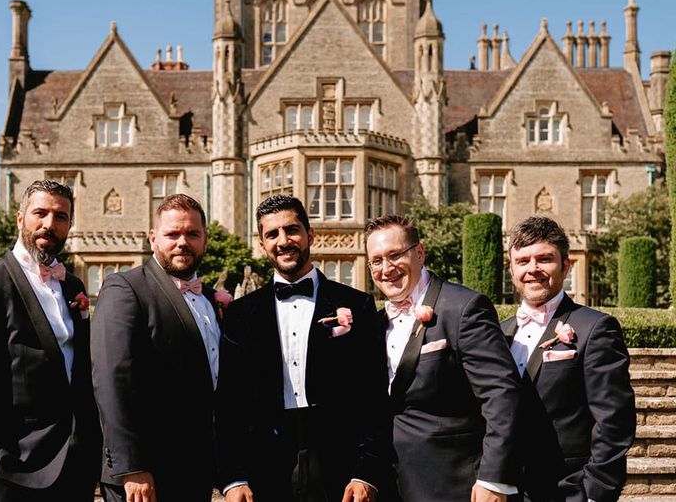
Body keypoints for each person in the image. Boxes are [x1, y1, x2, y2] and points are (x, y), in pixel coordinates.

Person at [216, 194, 390, 502]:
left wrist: (367, 472)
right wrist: (233, 478)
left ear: (310, 234)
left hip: (340, 462)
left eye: (291, 230)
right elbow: (230, 403)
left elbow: (373, 396)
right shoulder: (239, 314)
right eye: (272, 234)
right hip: (264, 466)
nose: (283, 241)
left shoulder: (357, 305)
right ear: (262, 244)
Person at [0, 179, 101, 501]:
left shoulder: (72, 284)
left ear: (70, 225)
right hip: (14, 467)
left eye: (61, 217)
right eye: (40, 213)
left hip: (76, 465)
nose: (50, 224)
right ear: (20, 218)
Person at [365, 214, 522, 502]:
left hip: (455, 484)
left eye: (395, 255)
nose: (386, 269)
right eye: (376, 260)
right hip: (392, 485)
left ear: (420, 253)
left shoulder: (463, 308)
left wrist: (494, 477)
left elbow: (501, 394)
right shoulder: (374, 323)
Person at [91, 193, 227, 502]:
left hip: (196, 468)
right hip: (145, 474)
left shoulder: (211, 299)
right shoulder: (125, 288)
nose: (182, 242)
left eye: (192, 234)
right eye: (172, 234)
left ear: (205, 240)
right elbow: (113, 381)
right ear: (154, 238)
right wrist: (131, 466)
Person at [501, 215, 636, 502]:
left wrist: (593, 493)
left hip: (568, 490)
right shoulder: (500, 333)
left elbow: (615, 422)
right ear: (512, 269)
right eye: (522, 261)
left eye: (544, 259)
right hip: (509, 490)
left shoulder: (595, 328)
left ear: (566, 266)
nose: (532, 269)